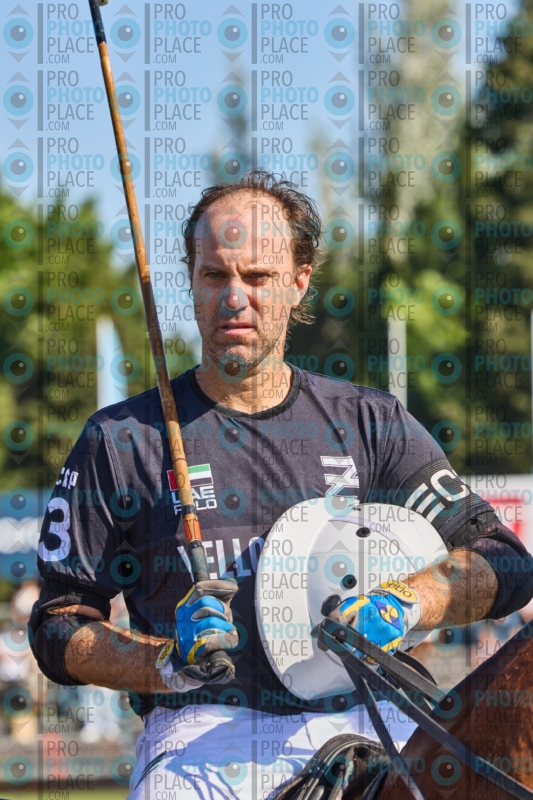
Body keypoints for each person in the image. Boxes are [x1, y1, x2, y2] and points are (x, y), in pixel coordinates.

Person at [30, 170, 533, 799]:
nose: (233, 297)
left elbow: (504, 562)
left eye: (258, 276)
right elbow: (57, 625)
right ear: (191, 280)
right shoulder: (121, 439)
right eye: (215, 275)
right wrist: (163, 661)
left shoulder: (370, 422)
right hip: (201, 740)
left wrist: (409, 601)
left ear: (299, 282)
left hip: (377, 723)